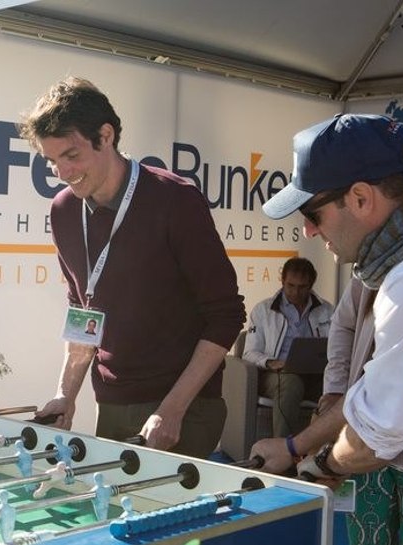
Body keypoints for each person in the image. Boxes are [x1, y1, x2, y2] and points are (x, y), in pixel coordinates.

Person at [259, 114, 403, 529]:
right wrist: (297, 444)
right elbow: (372, 392)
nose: (310, 232)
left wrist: (319, 465)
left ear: (362, 198)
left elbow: (372, 441)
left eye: (313, 213)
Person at [22, 76, 246, 457]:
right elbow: (83, 311)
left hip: (184, 409)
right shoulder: (62, 210)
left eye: (71, 155)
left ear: (105, 136)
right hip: (112, 402)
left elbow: (227, 316)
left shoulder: (176, 200)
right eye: (51, 160)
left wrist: (172, 409)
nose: (61, 172)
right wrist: (66, 394)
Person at [242, 257, 333, 438]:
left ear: (311, 284)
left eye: (302, 287)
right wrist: (271, 362)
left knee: (345, 386)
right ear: (282, 281)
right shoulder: (263, 310)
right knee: (291, 383)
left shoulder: (327, 310)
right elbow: (248, 353)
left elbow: (337, 347)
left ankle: (327, 455)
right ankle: (282, 451)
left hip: (316, 374)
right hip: (275, 375)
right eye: (290, 286)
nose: (296, 292)